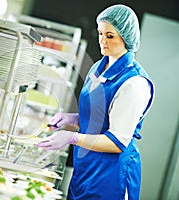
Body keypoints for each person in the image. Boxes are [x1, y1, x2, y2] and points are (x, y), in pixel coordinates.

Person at [36, 4, 155, 200]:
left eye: (110, 36)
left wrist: (72, 138)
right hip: (87, 167)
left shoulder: (134, 84)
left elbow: (117, 142)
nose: (102, 41)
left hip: (112, 174)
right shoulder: (100, 66)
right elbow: (100, 116)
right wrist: (72, 118)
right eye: (100, 33)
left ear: (126, 37)